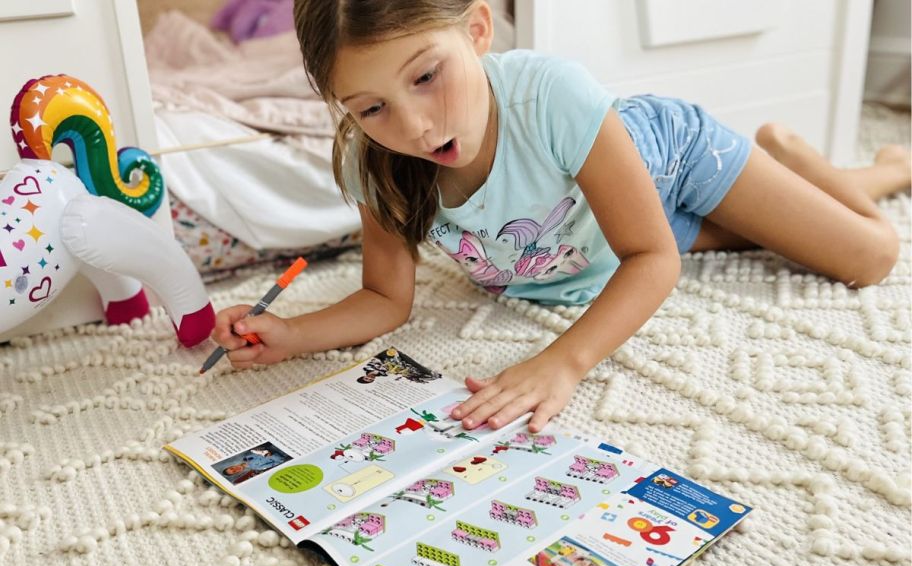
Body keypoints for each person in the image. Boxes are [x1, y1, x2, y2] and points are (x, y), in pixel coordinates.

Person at [212, 0, 910, 434]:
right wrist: (291, 334)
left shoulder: (552, 96)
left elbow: (652, 257)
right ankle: (824, 178)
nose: (417, 126)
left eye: (427, 76)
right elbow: (384, 298)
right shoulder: (372, 162)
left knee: (871, 257)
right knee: (767, 232)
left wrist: (562, 362)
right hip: (598, 230)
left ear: (478, 29)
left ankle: (812, 160)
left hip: (669, 162)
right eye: (371, 107)